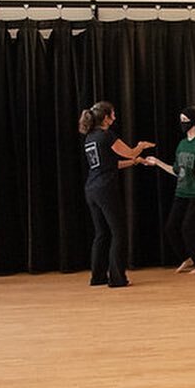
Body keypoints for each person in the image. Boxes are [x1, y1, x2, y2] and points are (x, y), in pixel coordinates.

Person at [78, 101, 154, 288]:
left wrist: (136, 161)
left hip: (92, 189)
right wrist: (140, 146)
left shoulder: (89, 138)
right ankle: (117, 278)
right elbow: (129, 152)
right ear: (106, 117)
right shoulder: (106, 136)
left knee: (102, 233)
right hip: (105, 189)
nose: (115, 117)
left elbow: (112, 164)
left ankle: (97, 277)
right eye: (113, 114)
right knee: (119, 232)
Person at [145, 105, 195, 274]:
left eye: (185, 120)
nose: (182, 123)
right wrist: (158, 162)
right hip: (182, 191)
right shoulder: (182, 144)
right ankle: (187, 258)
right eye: (181, 120)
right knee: (171, 227)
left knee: (189, 228)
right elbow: (177, 171)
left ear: (194, 122)